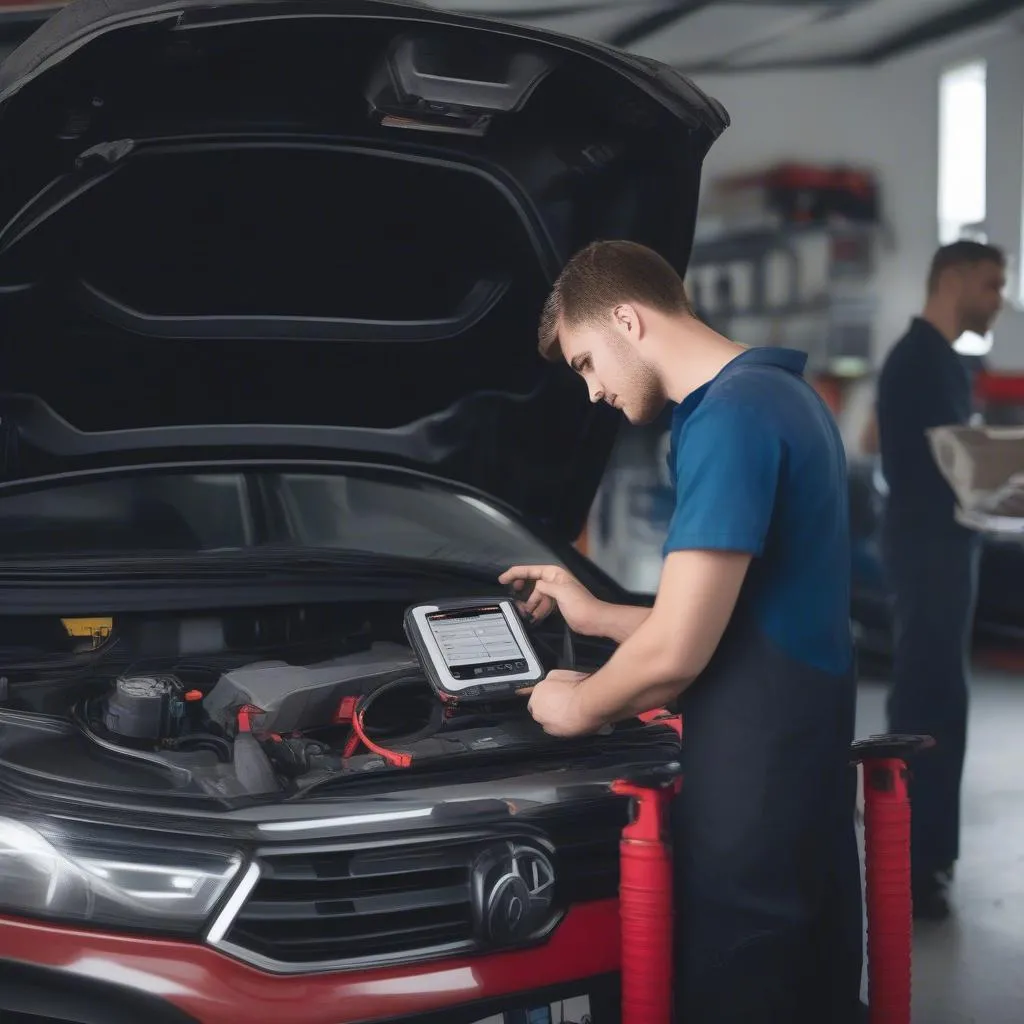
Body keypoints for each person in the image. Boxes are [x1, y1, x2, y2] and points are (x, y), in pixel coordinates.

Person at [500, 240, 862, 1023]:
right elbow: (745, 615)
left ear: (626, 320)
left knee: (741, 994)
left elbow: (674, 656)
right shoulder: (780, 395)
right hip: (804, 773)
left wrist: (580, 704)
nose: (591, 392)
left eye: (586, 363)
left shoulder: (729, 419)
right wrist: (597, 617)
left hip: (755, 796)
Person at [875, 240, 1006, 920]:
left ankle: (926, 854)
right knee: (927, 698)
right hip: (927, 550)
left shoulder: (942, 363)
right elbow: (953, 466)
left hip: (946, 548)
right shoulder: (919, 362)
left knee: (940, 696)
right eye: (990, 285)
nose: (1000, 300)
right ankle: (913, 858)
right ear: (951, 279)